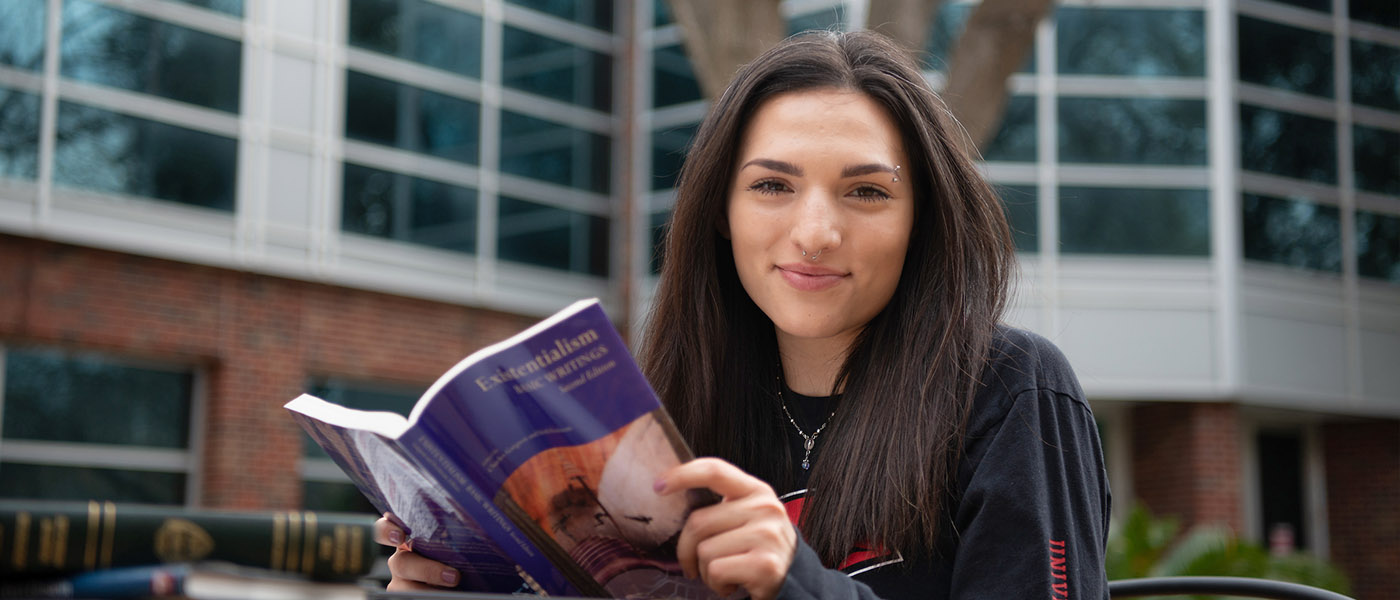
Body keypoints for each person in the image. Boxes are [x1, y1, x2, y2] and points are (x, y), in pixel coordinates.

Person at [375, 29, 1111, 600]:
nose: (816, 232)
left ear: (922, 219)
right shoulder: (657, 412)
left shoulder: (1012, 391)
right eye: (772, 186)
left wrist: (800, 582)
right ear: (721, 212)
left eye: (867, 192)